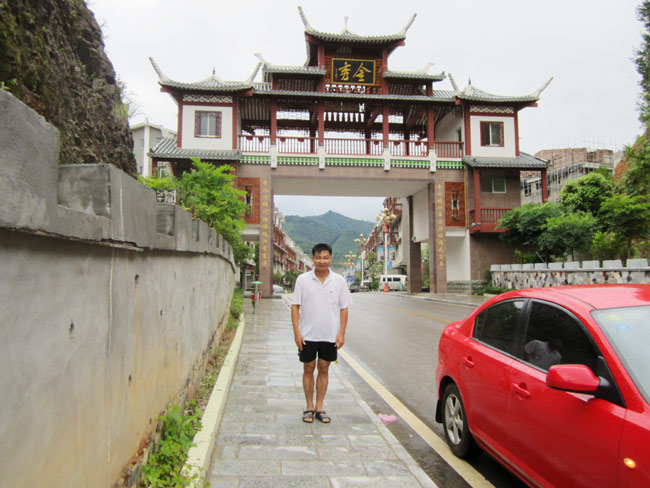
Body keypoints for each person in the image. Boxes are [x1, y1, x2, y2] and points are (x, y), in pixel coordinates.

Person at [291, 243, 352, 424]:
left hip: (329, 335)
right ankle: (309, 406)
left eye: (325, 257)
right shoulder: (303, 280)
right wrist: (297, 332)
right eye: (318, 257)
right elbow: (295, 307)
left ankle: (319, 407)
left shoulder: (339, 281)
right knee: (308, 368)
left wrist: (341, 334)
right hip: (307, 335)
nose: (322, 261)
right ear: (313, 259)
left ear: (330, 259)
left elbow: (344, 308)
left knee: (324, 368)